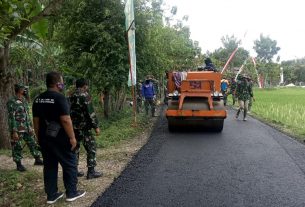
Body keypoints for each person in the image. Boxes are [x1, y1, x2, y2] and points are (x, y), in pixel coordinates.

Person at [32, 72, 85, 204]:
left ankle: (52, 195)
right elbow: (66, 119)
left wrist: (38, 137)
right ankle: (72, 193)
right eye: (62, 82)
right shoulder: (60, 98)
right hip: (61, 139)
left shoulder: (38, 99)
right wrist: (72, 138)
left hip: (45, 139)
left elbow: (36, 121)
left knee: (49, 166)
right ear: (58, 83)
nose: (63, 84)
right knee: (70, 163)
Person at [69, 78, 102, 179]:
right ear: (85, 85)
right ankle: (91, 171)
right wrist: (96, 126)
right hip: (84, 127)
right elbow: (90, 113)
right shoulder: (84, 95)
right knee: (91, 147)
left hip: (73, 128)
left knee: (75, 149)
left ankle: (74, 171)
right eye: (87, 86)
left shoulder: (71, 95)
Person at [7, 83, 43, 172]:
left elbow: (27, 115)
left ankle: (37, 159)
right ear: (19, 90)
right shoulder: (12, 101)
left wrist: (31, 127)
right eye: (23, 89)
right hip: (18, 129)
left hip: (27, 128)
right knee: (17, 146)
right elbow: (11, 117)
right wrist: (14, 131)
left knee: (33, 143)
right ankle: (18, 164)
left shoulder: (24, 101)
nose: (25, 90)